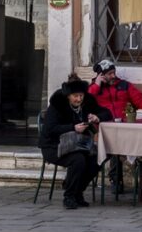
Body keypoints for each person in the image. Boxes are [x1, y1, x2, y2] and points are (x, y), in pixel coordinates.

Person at [88, 59, 142, 193]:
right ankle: (115, 180)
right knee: (113, 144)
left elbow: (139, 99)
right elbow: (87, 102)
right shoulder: (94, 89)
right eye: (109, 74)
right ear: (101, 75)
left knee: (129, 142)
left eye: (114, 72)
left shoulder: (124, 85)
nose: (113, 76)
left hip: (123, 125)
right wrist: (97, 85)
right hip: (103, 127)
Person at [39, 76, 111, 209]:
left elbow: (107, 113)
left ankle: (78, 192)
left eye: (81, 95)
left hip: (78, 145)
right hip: (53, 146)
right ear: (68, 96)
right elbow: (50, 129)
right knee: (78, 160)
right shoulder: (57, 104)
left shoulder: (88, 101)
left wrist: (97, 117)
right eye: (75, 96)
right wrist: (73, 127)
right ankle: (69, 196)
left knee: (97, 158)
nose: (79, 99)